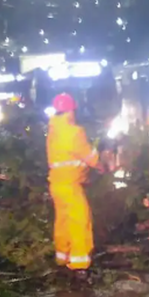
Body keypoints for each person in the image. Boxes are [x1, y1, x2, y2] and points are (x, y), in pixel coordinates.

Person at [46, 93, 104, 273]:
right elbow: (87, 155)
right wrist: (100, 165)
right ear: (71, 110)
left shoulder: (53, 131)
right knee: (80, 220)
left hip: (57, 184)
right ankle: (79, 263)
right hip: (71, 185)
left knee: (63, 220)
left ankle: (62, 256)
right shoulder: (74, 132)